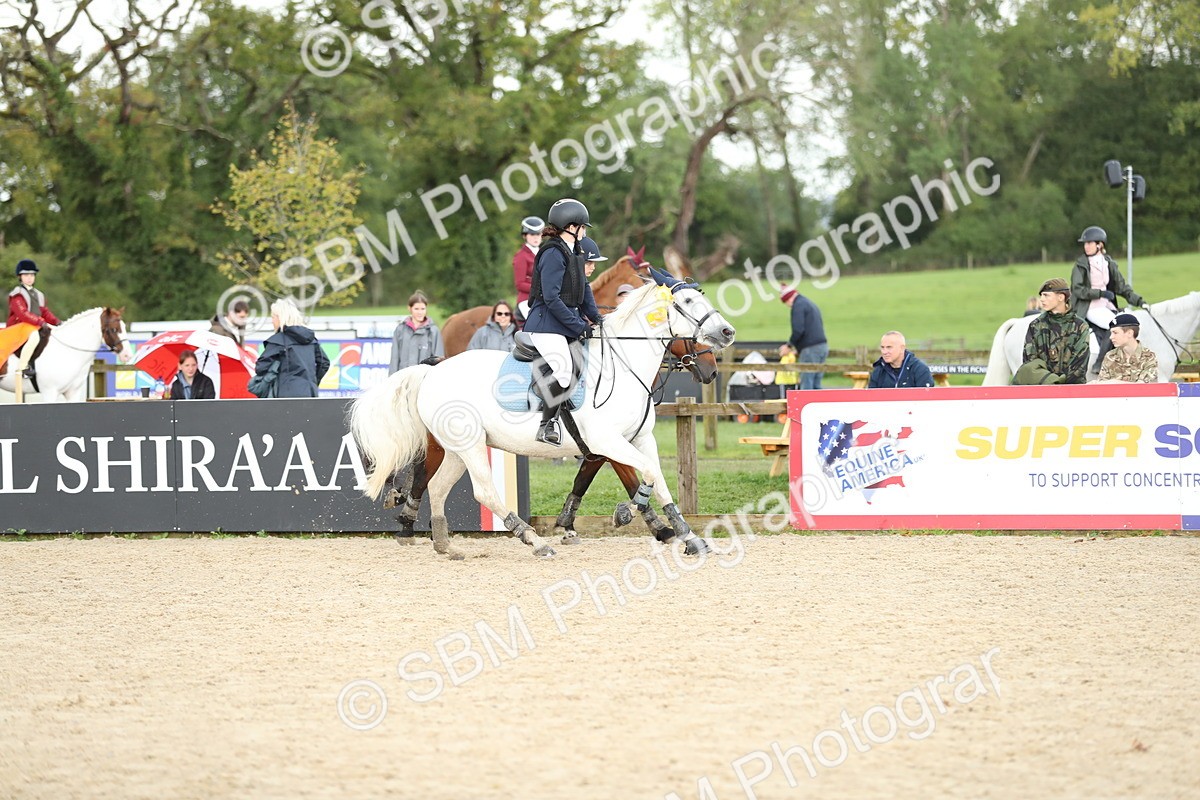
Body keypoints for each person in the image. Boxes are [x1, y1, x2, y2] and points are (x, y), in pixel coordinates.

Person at [523, 198, 602, 446]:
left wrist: (597, 318)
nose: (585, 232)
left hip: (562, 324)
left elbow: (584, 289)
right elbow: (551, 298)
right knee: (564, 372)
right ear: (571, 227)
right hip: (545, 325)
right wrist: (579, 326)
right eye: (583, 227)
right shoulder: (553, 254)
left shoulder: (575, 252)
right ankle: (546, 425)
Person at [1069, 226, 1145, 370]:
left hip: (1106, 305)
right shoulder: (1080, 265)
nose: (1086, 246)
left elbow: (1121, 287)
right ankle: (1099, 364)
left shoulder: (1108, 262)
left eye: (1089, 243)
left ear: (1100, 244)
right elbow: (1078, 289)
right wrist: (1100, 293)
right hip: (1089, 306)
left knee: (1127, 322)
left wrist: (1139, 301)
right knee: (1114, 326)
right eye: (1085, 243)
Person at [1015, 277, 1090, 385]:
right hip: (1042, 388)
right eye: (1041, 295)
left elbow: (1079, 365)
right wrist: (1051, 382)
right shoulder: (1036, 326)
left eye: (1046, 295)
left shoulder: (1080, 326)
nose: (1041, 299)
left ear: (1061, 297)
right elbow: (1030, 364)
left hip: (1072, 389)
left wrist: (1060, 385)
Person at [252, 298, 329, 398]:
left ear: (280, 317)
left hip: (285, 394)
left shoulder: (277, 341)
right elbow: (324, 363)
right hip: (310, 392)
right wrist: (313, 381)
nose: (272, 321)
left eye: (273, 317)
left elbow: (260, 367)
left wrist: (275, 369)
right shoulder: (311, 340)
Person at [7, 259, 61, 381]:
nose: (29, 278)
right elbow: (23, 314)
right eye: (26, 275)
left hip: (34, 325)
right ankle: (22, 367)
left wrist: (57, 322)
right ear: (20, 277)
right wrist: (41, 322)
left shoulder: (39, 294)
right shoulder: (17, 294)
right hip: (19, 326)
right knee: (34, 337)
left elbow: (44, 312)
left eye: (32, 275)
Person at [781, 286, 827, 389]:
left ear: (789, 299)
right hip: (822, 347)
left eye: (785, 302)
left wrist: (789, 346)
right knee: (816, 384)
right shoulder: (809, 303)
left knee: (807, 384)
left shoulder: (798, 306)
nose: (788, 306)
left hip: (810, 349)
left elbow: (798, 330)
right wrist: (798, 349)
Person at [389, 291, 444, 374]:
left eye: (423, 309)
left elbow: (438, 358)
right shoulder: (400, 329)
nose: (420, 312)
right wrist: (392, 378)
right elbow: (394, 358)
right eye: (416, 309)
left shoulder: (433, 331)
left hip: (425, 377)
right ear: (409, 308)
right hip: (404, 377)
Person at [1096, 312, 1159, 383]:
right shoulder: (1110, 356)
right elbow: (1102, 385)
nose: (1111, 337)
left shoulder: (1148, 357)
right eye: (1111, 333)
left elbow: (1144, 386)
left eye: (1115, 333)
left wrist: (1115, 382)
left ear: (1129, 333)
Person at [867, 331, 934, 388]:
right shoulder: (878, 371)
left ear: (902, 348)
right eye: (882, 347)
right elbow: (872, 397)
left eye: (889, 347)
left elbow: (926, 397)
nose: (884, 352)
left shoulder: (920, 370)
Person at [513, 215, 544, 312]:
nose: (536, 237)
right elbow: (520, 284)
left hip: (544, 299)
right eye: (532, 234)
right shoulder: (521, 256)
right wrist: (541, 290)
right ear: (524, 236)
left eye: (538, 234)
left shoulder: (544, 254)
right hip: (527, 300)